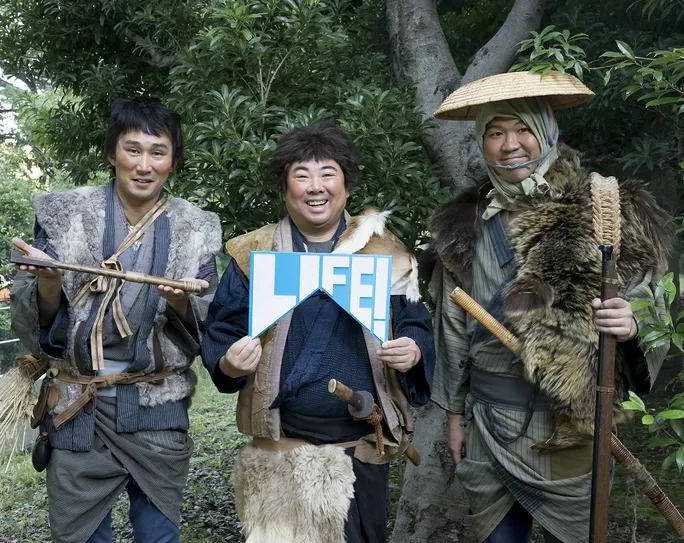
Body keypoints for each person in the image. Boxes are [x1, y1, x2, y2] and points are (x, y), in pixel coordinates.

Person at [426, 71, 671, 542]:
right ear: (482, 142)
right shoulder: (464, 225)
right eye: (495, 132)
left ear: (546, 131)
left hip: (572, 423)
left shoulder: (607, 207)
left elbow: (651, 294)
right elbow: (452, 325)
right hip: (489, 426)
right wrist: (455, 417)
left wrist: (632, 320)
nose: (510, 144)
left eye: (523, 130)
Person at [201, 120, 435, 543]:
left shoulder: (384, 248)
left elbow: (415, 320)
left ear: (346, 184)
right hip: (280, 447)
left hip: (362, 444)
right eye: (301, 174)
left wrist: (413, 349)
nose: (315, 186)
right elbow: (222, 328)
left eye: (328, 173)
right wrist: (229, 360)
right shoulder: (253, 251)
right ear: (284, 187)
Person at [10, 97, 221, 543]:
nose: (144, 165)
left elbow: (209, 324)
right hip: (75, 406)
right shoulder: (63, 214)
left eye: (158, 152)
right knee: (81, 536)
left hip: (158, 405)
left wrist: (181, 302)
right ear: (112, 153)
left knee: (159, 533)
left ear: (173, 161)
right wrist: (49, 282)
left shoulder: (196, 227)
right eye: (133, 149)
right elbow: (36, 331)